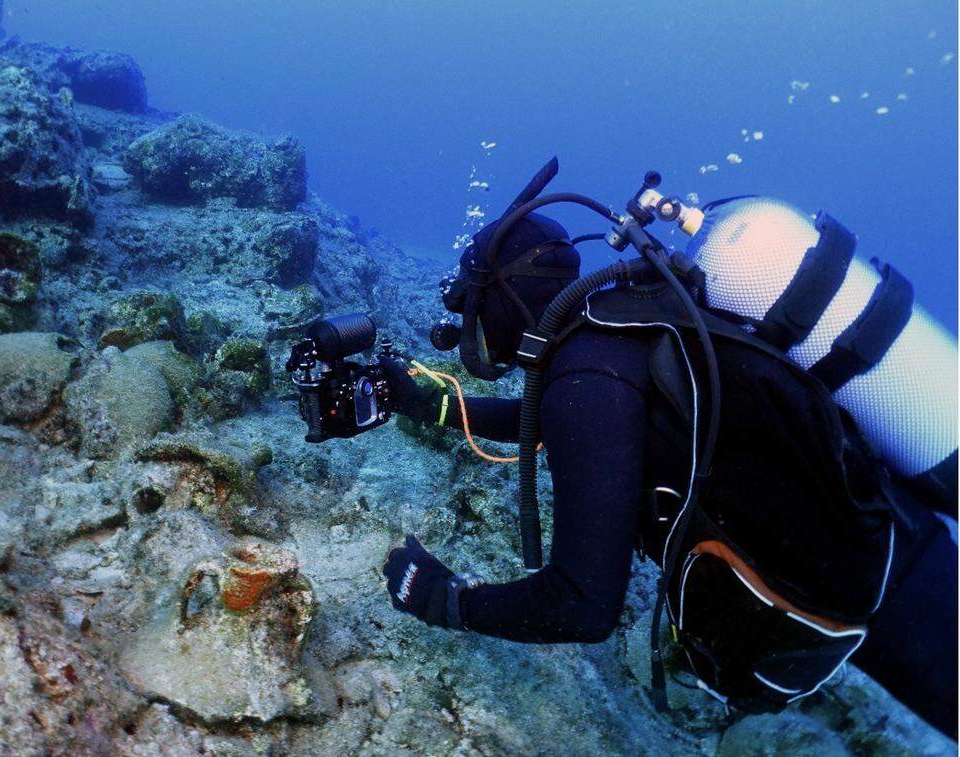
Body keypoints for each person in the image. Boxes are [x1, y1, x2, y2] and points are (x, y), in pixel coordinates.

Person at [378, 161, 958, 736]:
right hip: (894, 540)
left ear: (504, 295)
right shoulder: (617, 329)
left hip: (897, 602)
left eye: (472, 307)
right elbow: (568, 425)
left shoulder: (583, 378)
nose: (468, 327)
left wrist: (445, 600)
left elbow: (581, 604)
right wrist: (431, 404)